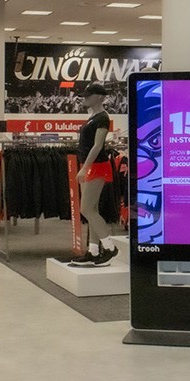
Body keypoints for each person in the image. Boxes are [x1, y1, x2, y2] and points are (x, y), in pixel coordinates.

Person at [70, 82, 118, 266]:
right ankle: (93, 250)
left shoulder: (102, 118)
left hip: (96, 166)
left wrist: (84, 167)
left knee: (86, 209)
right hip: (89, 164)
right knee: (92, 210)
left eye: (88, 96)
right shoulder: (93, 117)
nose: (85, 99)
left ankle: (110, 247)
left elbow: (98, 145)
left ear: (99, 97)